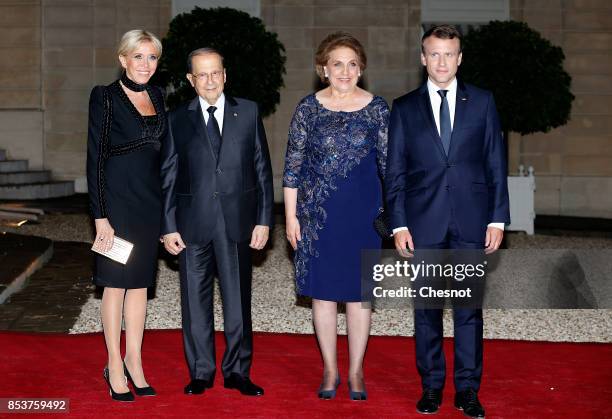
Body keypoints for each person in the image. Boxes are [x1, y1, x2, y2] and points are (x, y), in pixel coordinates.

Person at [385, 25, 510, 418]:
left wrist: (498, 218)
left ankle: (468, 391)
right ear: (423, 58)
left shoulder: (484, 102)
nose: (442, 61)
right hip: (423, 225)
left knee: (469, 310)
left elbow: (495, 162)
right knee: (427, 310)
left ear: (460, 58)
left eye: (449, 54)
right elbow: (395, 172)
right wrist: (399, 224)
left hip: (473, 223)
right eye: (434, 54)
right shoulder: (404, 107)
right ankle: (432, 387)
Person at [161, 48, 273, 397]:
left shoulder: (249, 112)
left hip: (238, 222)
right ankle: (201, 372)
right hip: (192, 224)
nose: (210, 81)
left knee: (238, 301)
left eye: (215, 73)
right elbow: (168, 174)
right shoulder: (177, 118)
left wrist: (264, 220)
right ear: (191, 80)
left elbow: (262, 169)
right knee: (195, 302)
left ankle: (238, 371)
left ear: (225, 75)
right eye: (202, 75)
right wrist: (167, 226)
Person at [283, 32, 388, 401]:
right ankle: (330, 368)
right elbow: (292, 168)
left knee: (360, 298)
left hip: (363, 217)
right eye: (337, 64)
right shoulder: (308, 108)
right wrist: (292, 218)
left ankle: (356, 370)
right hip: (317, 218)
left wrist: (397, 217)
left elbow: (391, 169)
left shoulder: (378, 109)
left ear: (361, 69)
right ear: (323, 69)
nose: (345, 71)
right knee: (324, 296)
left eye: (352, 64)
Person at [87, 29, 166, 402]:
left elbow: (165, 158)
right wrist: (100, 216)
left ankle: (135, 360)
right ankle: (114, 364)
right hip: (117, 204)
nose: (146, 65)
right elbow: (96, 158)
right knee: (115, 283)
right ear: (123, 59)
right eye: (138, 57)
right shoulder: (104, 97)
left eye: (152, 57)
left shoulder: (159, 95)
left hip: (149, 204)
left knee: (139, 284)